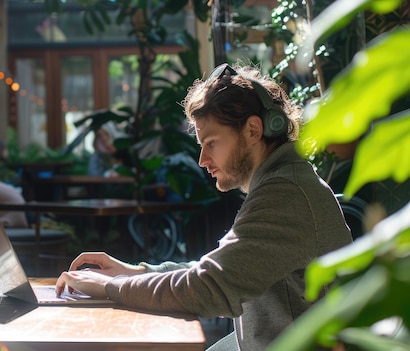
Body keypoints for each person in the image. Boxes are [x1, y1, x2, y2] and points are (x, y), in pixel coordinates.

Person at [55, 63, 353, 351]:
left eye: (210, 143)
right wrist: (134, 273)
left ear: (253, 130)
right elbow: (217, 271)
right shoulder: (281, 183)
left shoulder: (285, 195)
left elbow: (210, 287)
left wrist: (111, 288)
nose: (202, 160)